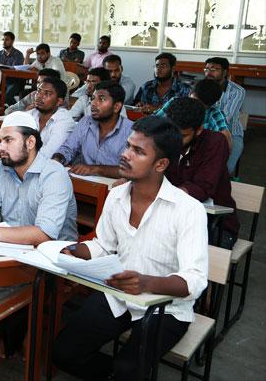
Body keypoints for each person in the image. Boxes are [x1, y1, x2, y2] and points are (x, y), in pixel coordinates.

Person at [53, 116, 208, 381]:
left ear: (161, 164)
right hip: (119, 293)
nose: (125, 155)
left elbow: (194, 281)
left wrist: (147, 282)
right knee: (63, 353)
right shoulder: (117, 195)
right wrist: (76, 251)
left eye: (138, 151)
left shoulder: (188, 209)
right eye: (127, 146)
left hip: (165, 306)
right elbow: (104, 245)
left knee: (129, 369)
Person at [0, 110, 78, 244]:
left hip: (54, 256)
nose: (1, 147)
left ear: (30, 142)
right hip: (12, 247)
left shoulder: (54, 174)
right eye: (0, 141)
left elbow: (45, 233)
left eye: (8, 140)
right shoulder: (0, 168)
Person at [163, 97, 239, 249]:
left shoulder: (216, 142)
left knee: (189, 256)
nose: (176, 140)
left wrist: (164, 196)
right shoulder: (164, 137)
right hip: (171, 218)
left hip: (214, 224)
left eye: (183, 136)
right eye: (172, 132)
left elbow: (203, 188)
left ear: (199, 130)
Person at [53, 82, 133, 177]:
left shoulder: (131, 131)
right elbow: (68, 149)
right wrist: (57, 159)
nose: (93, 103)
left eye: (101, 99)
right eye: (93, 98)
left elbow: (131, 169)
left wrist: (95, 169)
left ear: (116, 107)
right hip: (84, 182)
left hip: (114, 187)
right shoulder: (86, 122)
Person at [154, 78, 232, 147]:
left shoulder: (214, 113)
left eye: (201, 106)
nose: (194, 107)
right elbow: (153, 121)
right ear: (190, 93)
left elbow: (226, 143)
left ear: (211, 105)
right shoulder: (175, 102)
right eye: (194, 100)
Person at [204, 57, 246, 174]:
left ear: (225, 72)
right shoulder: (201, 87)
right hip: (204, 132)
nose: (209, 72)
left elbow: (226, 117)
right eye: (207, 69)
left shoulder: (237, 91)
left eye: (214, 69)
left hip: (231, 134)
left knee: (224, 171)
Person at [29, 76, 76, 158]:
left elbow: (47, 154)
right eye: (39, 91)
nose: (39, 96)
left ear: (59, 101)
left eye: (47, 94)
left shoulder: (64, 121)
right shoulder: (30, 114)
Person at [0, 31, 26, 105]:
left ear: (12, 41)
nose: (4, 42)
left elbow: (15, 70)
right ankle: (1, 110)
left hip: (15, 81)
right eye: (3, 40)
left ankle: (17, 110)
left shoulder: (18, 54)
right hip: (1, 80)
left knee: (7, 96)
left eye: (7, 40)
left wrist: (2, 65)